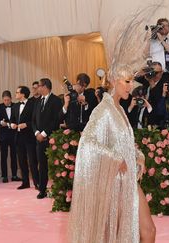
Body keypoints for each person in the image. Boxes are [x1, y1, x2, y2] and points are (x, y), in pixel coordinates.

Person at [69, 65, 156, 243]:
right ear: (115, 81)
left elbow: (124, 143)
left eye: (131, 81)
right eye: (127, 81)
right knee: (113, 236)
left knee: (149, 230)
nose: (130, 86)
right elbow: (88, 143)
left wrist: (138, 155)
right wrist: (115, 159)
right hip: (113, 182)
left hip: (129, 180)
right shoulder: (103, 110)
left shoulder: (120, 109)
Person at [32, 78, 62, 199]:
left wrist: (44, 133)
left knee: (55, 165)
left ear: (45, 87)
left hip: (51, 138)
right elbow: (33, 120)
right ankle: (42, 190)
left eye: (38, 86)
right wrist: (36, 133)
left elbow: (56, 120)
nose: (37, 88)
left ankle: (58, 190)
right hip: (39, 139)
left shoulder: (56, 100)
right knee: (42, 165)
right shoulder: (38, 101)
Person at [10, 86, 38, 190]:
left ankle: (37, 183)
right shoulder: (16, 106)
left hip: (29, 137)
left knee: (32, 161)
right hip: (18, 137)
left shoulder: (33, 104)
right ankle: (25, 182)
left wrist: (26, 124)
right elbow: (12, 120)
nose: (16, 94)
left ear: (23, 94)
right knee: (21, 161)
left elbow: (36, 121)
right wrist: (12, 124)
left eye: (17, 92)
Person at [0, 90, 19, 183]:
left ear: (11, 99)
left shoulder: (16, 106)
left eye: (8, 100)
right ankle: (4, 176)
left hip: (14, 135)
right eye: (5, 100)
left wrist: (11, 124)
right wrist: (1, 122)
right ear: (2, 99)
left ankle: (14, 175)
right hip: (3, 136)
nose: (6, 102)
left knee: (14, 156)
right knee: (3, 156)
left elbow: (18, 119)